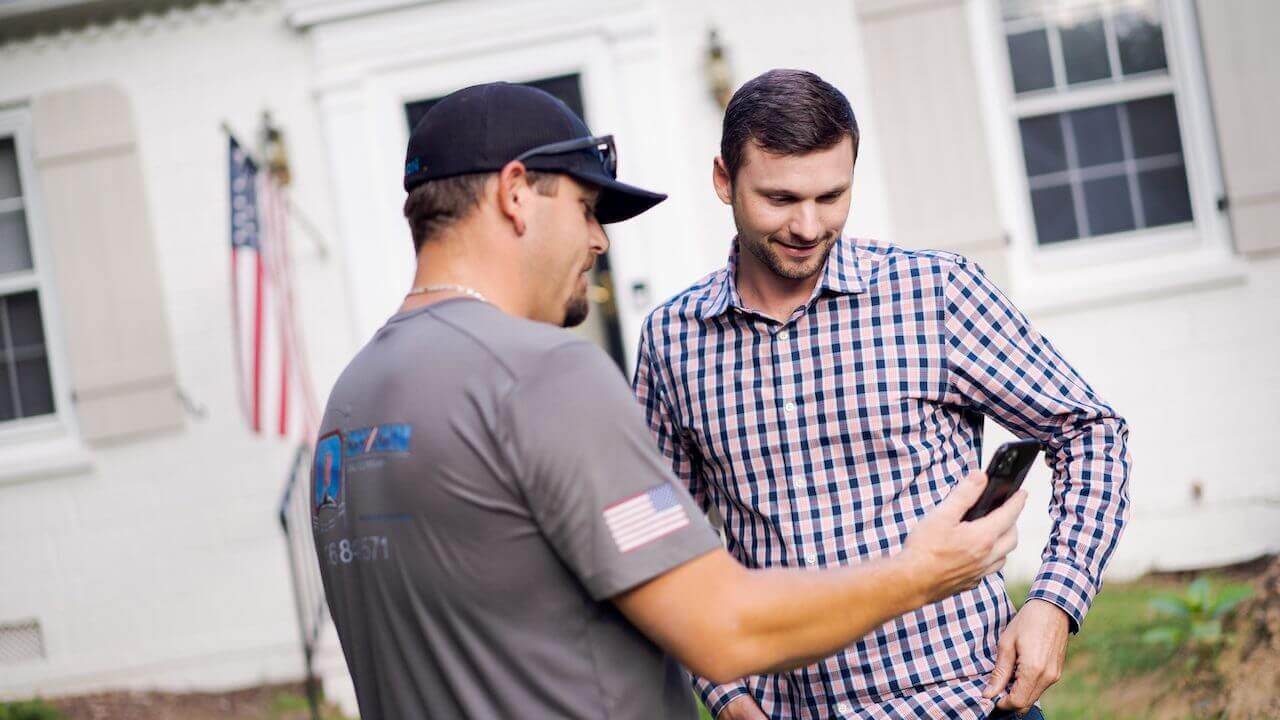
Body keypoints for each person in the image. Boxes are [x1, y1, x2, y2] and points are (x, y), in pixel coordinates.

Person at [311, 81, 1026, 720]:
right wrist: (918, 573)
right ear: (516, 192)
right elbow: (725, 629)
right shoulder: (544, 374)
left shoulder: (353, 401)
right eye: (588, 208)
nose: (597, 241)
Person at [632, 69, 1132, 720]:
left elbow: (1089, 429)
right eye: (780, 198)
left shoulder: (935, 293)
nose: (809, 226)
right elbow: (668, 542)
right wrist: (728, 697)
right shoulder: (674, 340)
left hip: (967, 702)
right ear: (724, 180)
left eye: (831, 196)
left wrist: (1054, 604)